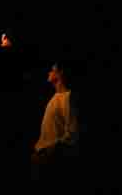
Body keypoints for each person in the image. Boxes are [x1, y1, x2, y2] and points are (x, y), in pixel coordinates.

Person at [31, 62, 80, 190]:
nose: (49, 72)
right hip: (42, 158)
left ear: (60, 73)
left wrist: (49, 152)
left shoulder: (68, 97)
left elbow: (72, 133)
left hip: (51, 161)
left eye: (52, 70)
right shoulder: (54, 98)